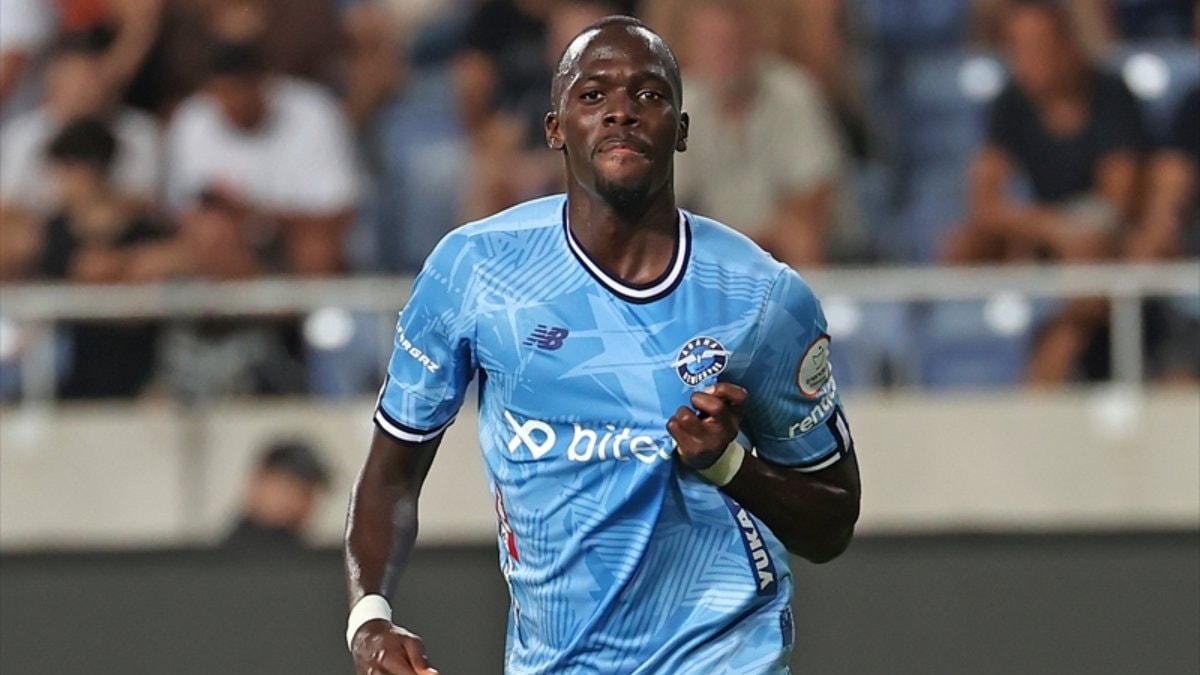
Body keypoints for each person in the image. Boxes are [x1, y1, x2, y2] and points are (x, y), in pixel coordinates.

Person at [344, 15, 861, 675]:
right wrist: (370, 617)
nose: (621, 111)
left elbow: (832, 522)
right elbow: (391, 471)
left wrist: (731, 465)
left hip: (723, 655)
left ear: (681, 129)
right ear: (555, 127)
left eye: (648, 94)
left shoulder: (762, 297)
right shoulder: (472, 271)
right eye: (593, 95)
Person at [944, 0, 1147, 385]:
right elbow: (984, 201)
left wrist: (1062, 231)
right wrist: (1051, 229)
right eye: (1016, 49)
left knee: (1087, 248)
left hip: (1105, 242)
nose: (1025, 62)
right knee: (962, 244)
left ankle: (1064, 344)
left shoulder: (1110, 94)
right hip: (1052, 233)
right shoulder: (1012, 102)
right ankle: (959, 356)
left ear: (1067, 45)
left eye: (1037, 48)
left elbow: (1117, 201)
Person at [671, 0, 855, 267]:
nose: (724, 56)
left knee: (798, 235)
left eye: (732, 44)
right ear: (692, 48)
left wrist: (753, 239)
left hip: (785, 240)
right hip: (715, 243)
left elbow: (815, 196)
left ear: (754, 43)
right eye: (713, 44)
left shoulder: (792, 92)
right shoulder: (682, 104)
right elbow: (665, 199)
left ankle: (809, 295)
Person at [33, 117, 172, 398]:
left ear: (88, 171)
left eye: (63, 173)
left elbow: (171, 266)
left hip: (140, 380)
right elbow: (89, 269)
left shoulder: (146, 230)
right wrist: (134, 267)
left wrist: (127, 265)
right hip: (71, 387)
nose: (58, 185)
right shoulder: (51, 235)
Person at [223, 439, 331, 551]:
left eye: (307, 494)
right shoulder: (225, 555)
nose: (296, 502)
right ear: (259, 482)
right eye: (287, 487)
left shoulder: (305, 553)